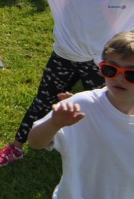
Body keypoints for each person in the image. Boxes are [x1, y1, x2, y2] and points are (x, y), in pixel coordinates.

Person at [0, 0, 134, 166]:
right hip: (63, 58)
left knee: (104, 108)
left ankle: (92, 151)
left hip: (100, 64)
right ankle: (17, 146)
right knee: (42, 102)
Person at [26, 31, 134, 199]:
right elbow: (34, 142)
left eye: (131, 74)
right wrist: (54, 123)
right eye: (110, 69)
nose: (119, 78)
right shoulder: (82, 105)